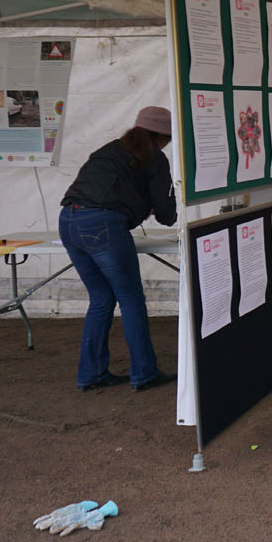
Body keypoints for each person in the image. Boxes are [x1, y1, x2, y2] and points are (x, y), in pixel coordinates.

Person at [60, 106, 177, 391]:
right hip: (103, 224)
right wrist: (154, 207)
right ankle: (144, 373)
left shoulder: (108, 150)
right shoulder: (155, 159)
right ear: (162, 137)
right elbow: (166, 213)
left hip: (68, 220)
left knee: (100, 299)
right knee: (130, 299)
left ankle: (91, 374)